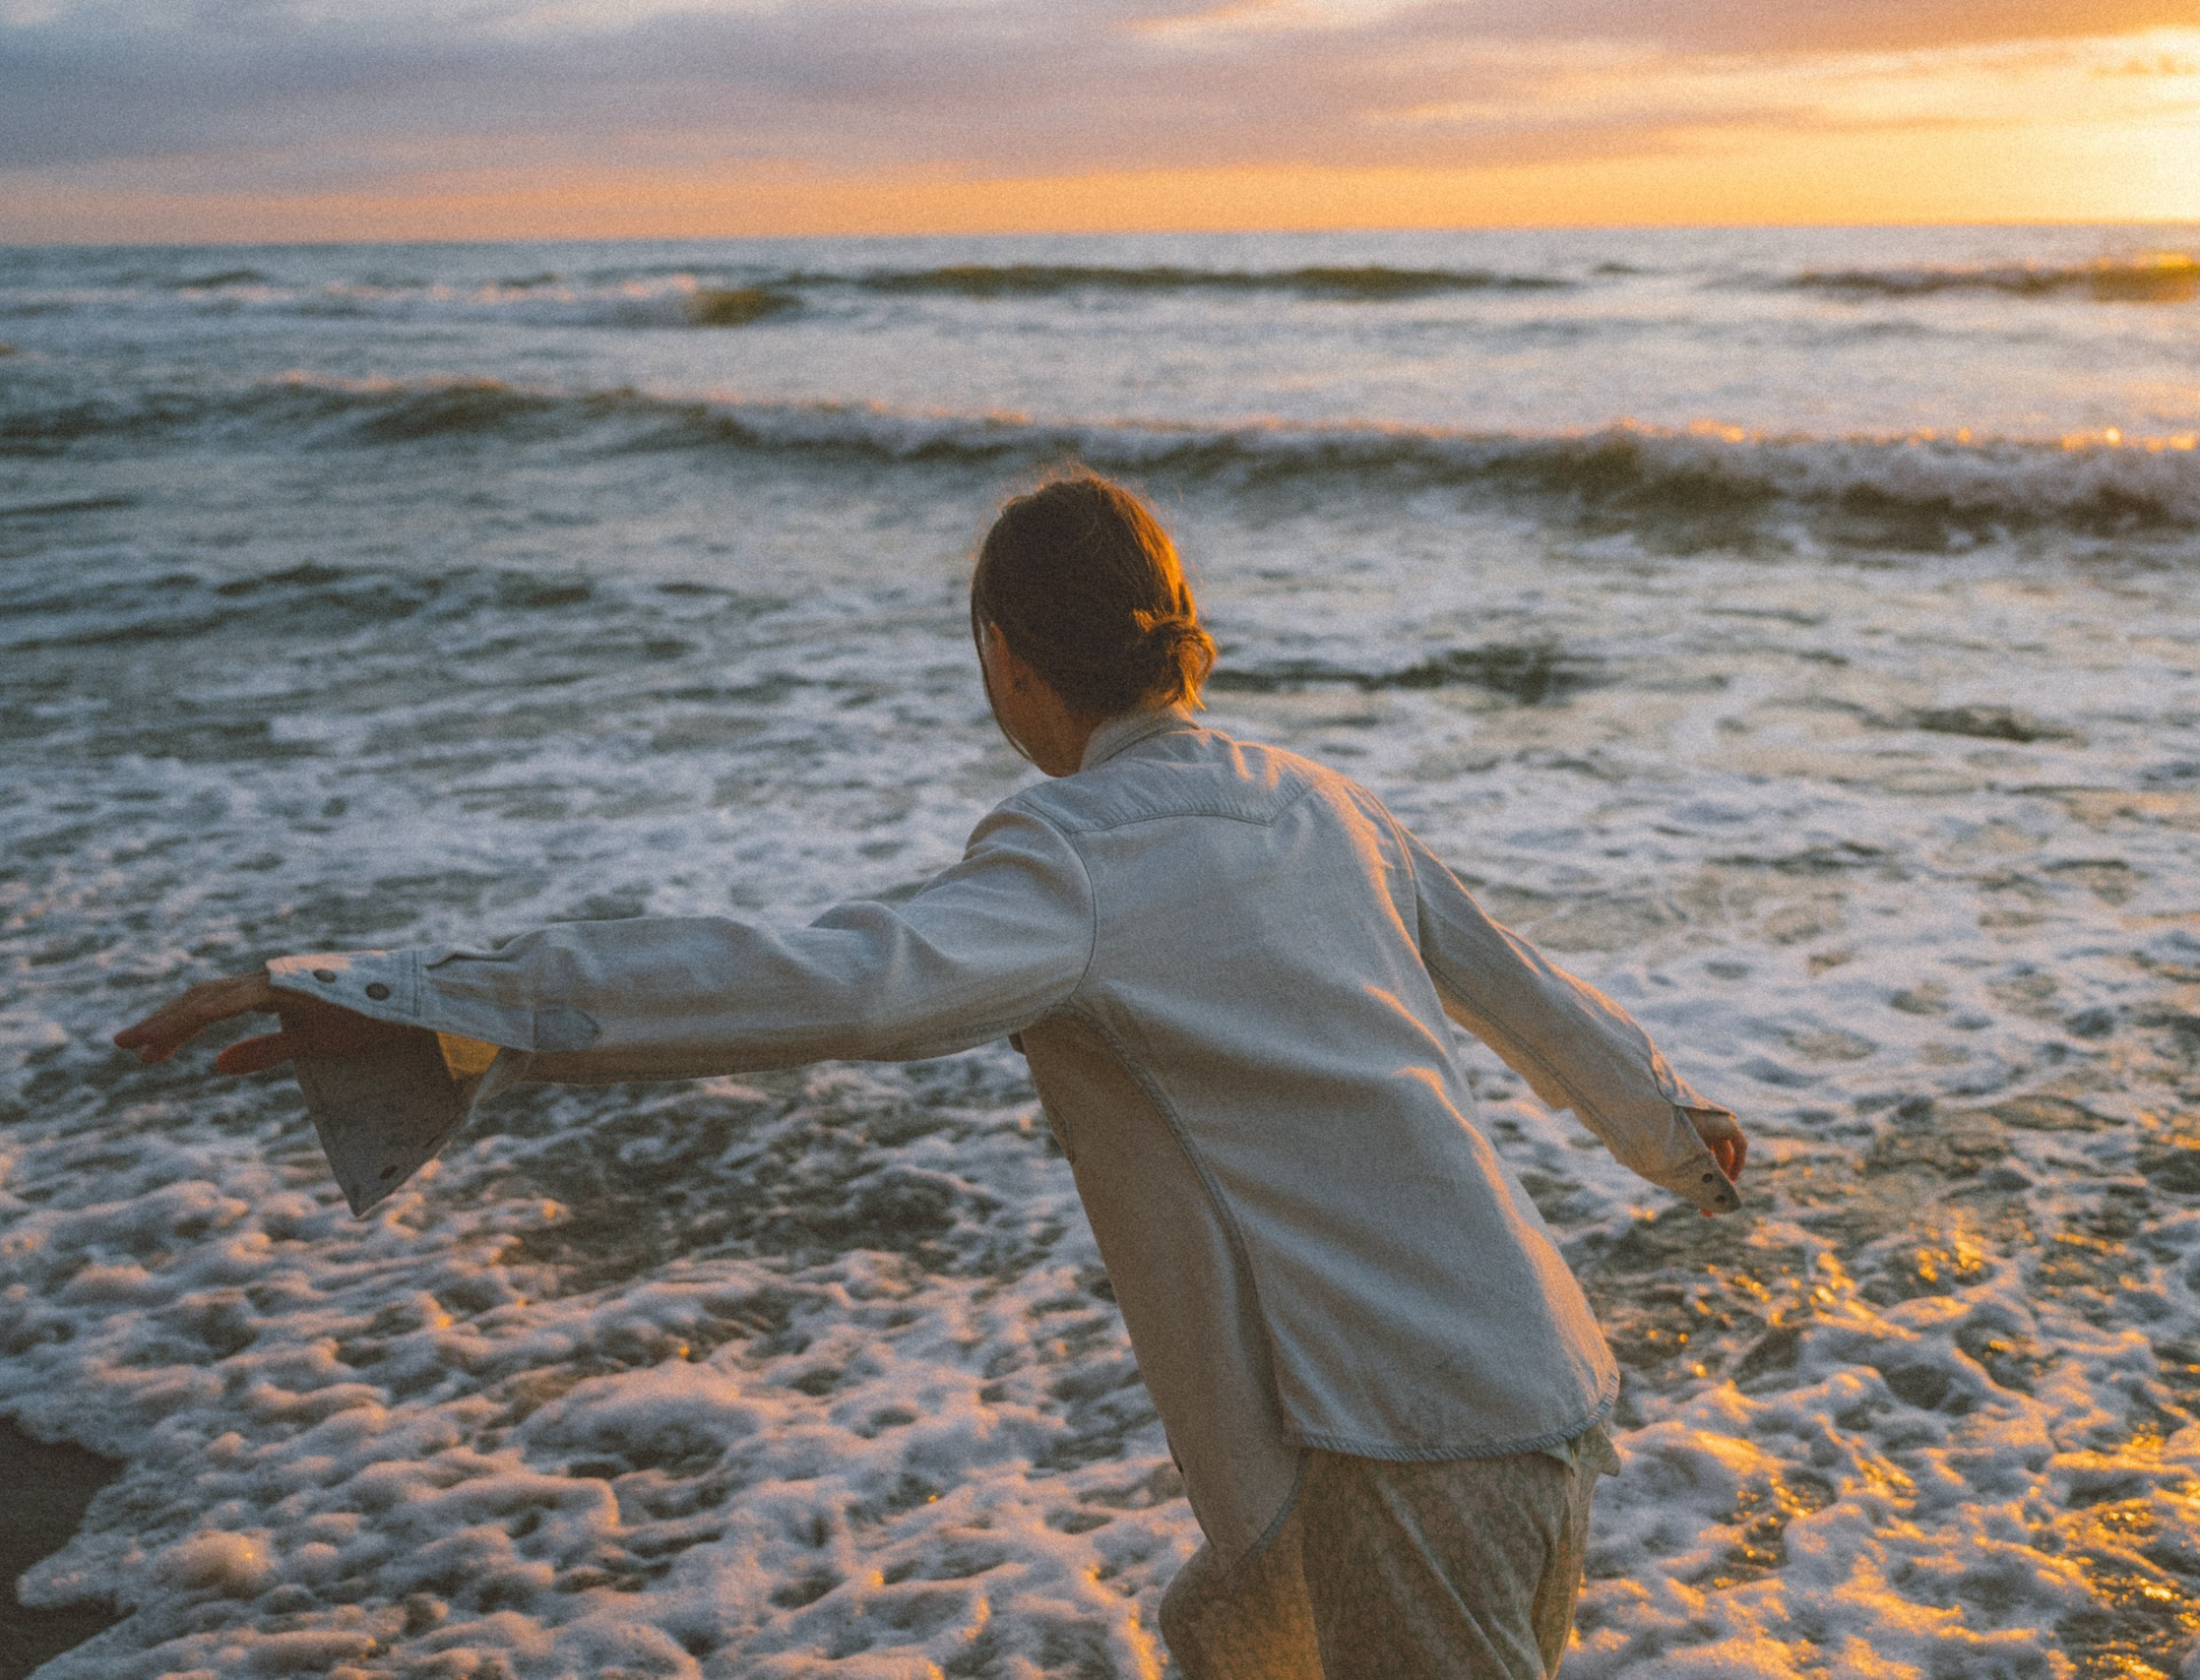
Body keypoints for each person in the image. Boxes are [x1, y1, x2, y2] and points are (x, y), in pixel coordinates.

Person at [116, 471, 1747, 1680]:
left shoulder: (1075, 853)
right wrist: (1683, 1145)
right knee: (1229, 1638)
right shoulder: (1327, 802)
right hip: (1531, 1380)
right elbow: (1532, 999)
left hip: (1396, 1426)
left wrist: (427, 1000)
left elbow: (822, 983)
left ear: (1005, 656)